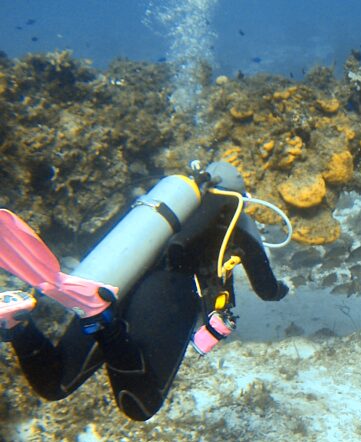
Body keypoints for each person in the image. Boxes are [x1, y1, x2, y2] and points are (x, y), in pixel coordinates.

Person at [0, 162, 290, 421]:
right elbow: (266, 289)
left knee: (56, 383)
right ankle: (103, 326)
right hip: (167, 293)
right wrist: (281, 291)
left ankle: (18, 326)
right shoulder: (237, 223)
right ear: (242, 198)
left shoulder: (161, 208)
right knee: (141, 404)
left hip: (112, 281)